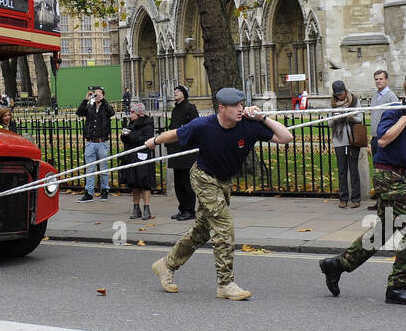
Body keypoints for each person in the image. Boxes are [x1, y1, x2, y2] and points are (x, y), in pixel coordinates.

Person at [148, 87, 293, 300]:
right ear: (222, 108)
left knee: (202, 231)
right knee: (223, 227)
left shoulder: (249, 126)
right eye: (235, 106)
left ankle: (166, 265)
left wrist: (264, 118)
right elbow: (176, 134)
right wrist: (154, 141)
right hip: (203, 178)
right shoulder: (204, 125)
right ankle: (225, 284)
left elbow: (285, 137)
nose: (240, 109)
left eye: (242, 104)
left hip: (223, 182)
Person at [320, 70, 406, 306]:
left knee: (384, 230)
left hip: (398, 175)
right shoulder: (396, 110)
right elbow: (383, 139)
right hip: (387, 175)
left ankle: (337, 264)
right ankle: (397, 287)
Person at [76, 86, 114, 201]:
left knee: (103, 168)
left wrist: (103, 100)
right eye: (95, 94)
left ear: (103, 95)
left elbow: (111, 112)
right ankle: (89, 193)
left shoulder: (106, 107)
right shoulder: (89, 107)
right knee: (90, 169)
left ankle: (104, 190)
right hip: (90, 143)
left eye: (99, 94)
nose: (97, 96)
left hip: (102, 142)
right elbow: (79, 112)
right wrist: (86, 99)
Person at [166, 85, 199, 220]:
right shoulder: (175, 109)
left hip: (186, 150)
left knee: (187, 182)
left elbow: (195, 127)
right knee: (178, 183)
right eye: (174, 91)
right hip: (175, 149)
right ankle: (182, 208)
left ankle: (190, 210)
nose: (175, 92)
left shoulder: (190, 108)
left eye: (178, 91)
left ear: (184, 94)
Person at [120, 102, 156, 219]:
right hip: (131, 157)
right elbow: (127, 140)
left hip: (142, 157)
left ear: (139, 113)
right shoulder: (132, 124)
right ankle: (136, 208)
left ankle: (147, 208)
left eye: (132, 112)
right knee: (134, 184)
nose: (130, 115)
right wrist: (124, 135)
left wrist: (131, 135)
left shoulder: (147, 126)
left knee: (145, 184)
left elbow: (146, 141)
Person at [367, 69, 397, 209]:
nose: (378, 81)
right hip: (375, 138)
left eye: (381, 79)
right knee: (378, 170)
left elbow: (396, 117)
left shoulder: (391, 97)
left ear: (387, 80)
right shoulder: (375, 96)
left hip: (386, 138)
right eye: (376, 79)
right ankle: (380, 200)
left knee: (387, 170)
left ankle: (390, 200)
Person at [329, 80, 361, 208]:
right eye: (337, 94)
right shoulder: (332, 104)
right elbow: (329, 123)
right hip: (339, 139)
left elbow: (360, 118)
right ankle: (343, 198)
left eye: (341, 93)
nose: (339, 96)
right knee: (342, 170)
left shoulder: (354, 100)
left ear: (345, 91)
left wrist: (351, 117)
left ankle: (356, 198)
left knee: (354, 169)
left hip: (352, 138)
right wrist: (335, 119)